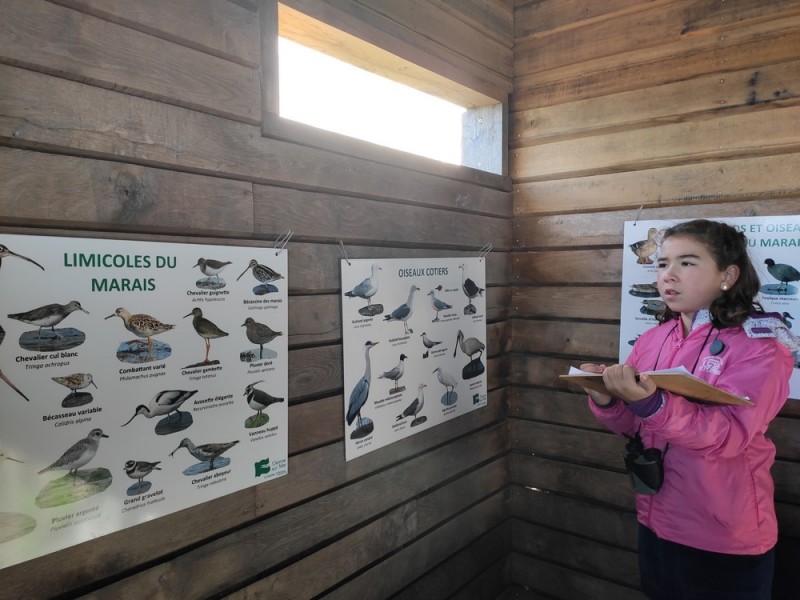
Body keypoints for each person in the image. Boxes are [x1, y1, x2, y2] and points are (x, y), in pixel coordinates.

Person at [581, 219, 798, 600]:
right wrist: (607, 398)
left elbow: (729, 436)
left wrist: (651, 402)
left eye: (687, 262)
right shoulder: (653, 338)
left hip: (724, 535)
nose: (669, 275)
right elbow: (634, 426)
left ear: (727, 275)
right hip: (656, 519)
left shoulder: (761, 346)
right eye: (663, 264)